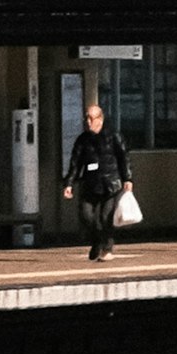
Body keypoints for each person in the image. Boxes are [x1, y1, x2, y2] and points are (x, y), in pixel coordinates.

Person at [66, 99, 128, 262]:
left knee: (106, 217)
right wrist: (69, 183)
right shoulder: (82, 140)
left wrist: (127, 178)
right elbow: (75, 162)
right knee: (86, 215)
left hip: (110, 183)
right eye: (86, 118)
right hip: (90, 183)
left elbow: (123, 157)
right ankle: (96, 242)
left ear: (100, 119)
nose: (88, 122)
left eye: (91, 119)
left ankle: (106, 248)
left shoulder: (113, 136)